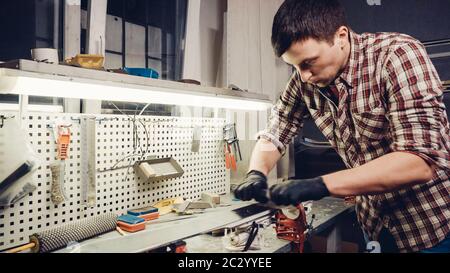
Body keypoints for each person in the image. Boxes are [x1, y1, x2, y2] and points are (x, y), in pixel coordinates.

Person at [234, 0, 449, 253]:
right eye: (294, 66)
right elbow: (277, 129)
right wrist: (256, 172)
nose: (303, 76)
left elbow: (419, 161)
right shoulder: (305, 80)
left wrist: (318, 185)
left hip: (432, 224)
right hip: (376, 223)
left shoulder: (397, 55)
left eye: (307, 63)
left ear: (341, 36)